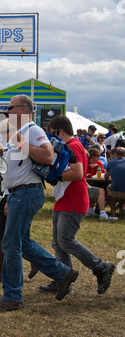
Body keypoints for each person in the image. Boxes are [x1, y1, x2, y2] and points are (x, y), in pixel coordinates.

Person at [0, 95, 78, 312]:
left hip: (27, 193)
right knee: (22, 242)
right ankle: (63, 273)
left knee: (10, 244)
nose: (7, 111)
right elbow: (14, 170)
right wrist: (8, 196)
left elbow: (47, 156)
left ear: (23, 109)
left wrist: (22, 144)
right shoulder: (19, 134)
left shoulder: (32, 130)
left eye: (10, 108)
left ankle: (13, 295)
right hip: (20, 194)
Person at [39, 115, 115, 296]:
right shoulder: (72, 145)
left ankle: (101, 266)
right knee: (58, 243)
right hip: (65, 199)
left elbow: (78, 173)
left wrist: (55, 176)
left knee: (65, 241)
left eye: (52, 134)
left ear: (60, 131)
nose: (51, 138)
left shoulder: (73, 146)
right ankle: (63, 279)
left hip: (74, 199)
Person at [0, 118, 38, 284]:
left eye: (3, 132)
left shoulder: (16, 145)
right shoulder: (9, 145)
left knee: (11, 237)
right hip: (9, 193)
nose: (1, 136)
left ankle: (9, 272)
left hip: (14, 195)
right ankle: (4, 271)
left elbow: (15, 173)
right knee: (9, 235)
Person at [105, 147, 125, 217]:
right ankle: (120, 207)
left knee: (109, 188)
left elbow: (106, 177)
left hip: (115, 191)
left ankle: (113, 210)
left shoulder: (111, 163)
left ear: (115, 154)